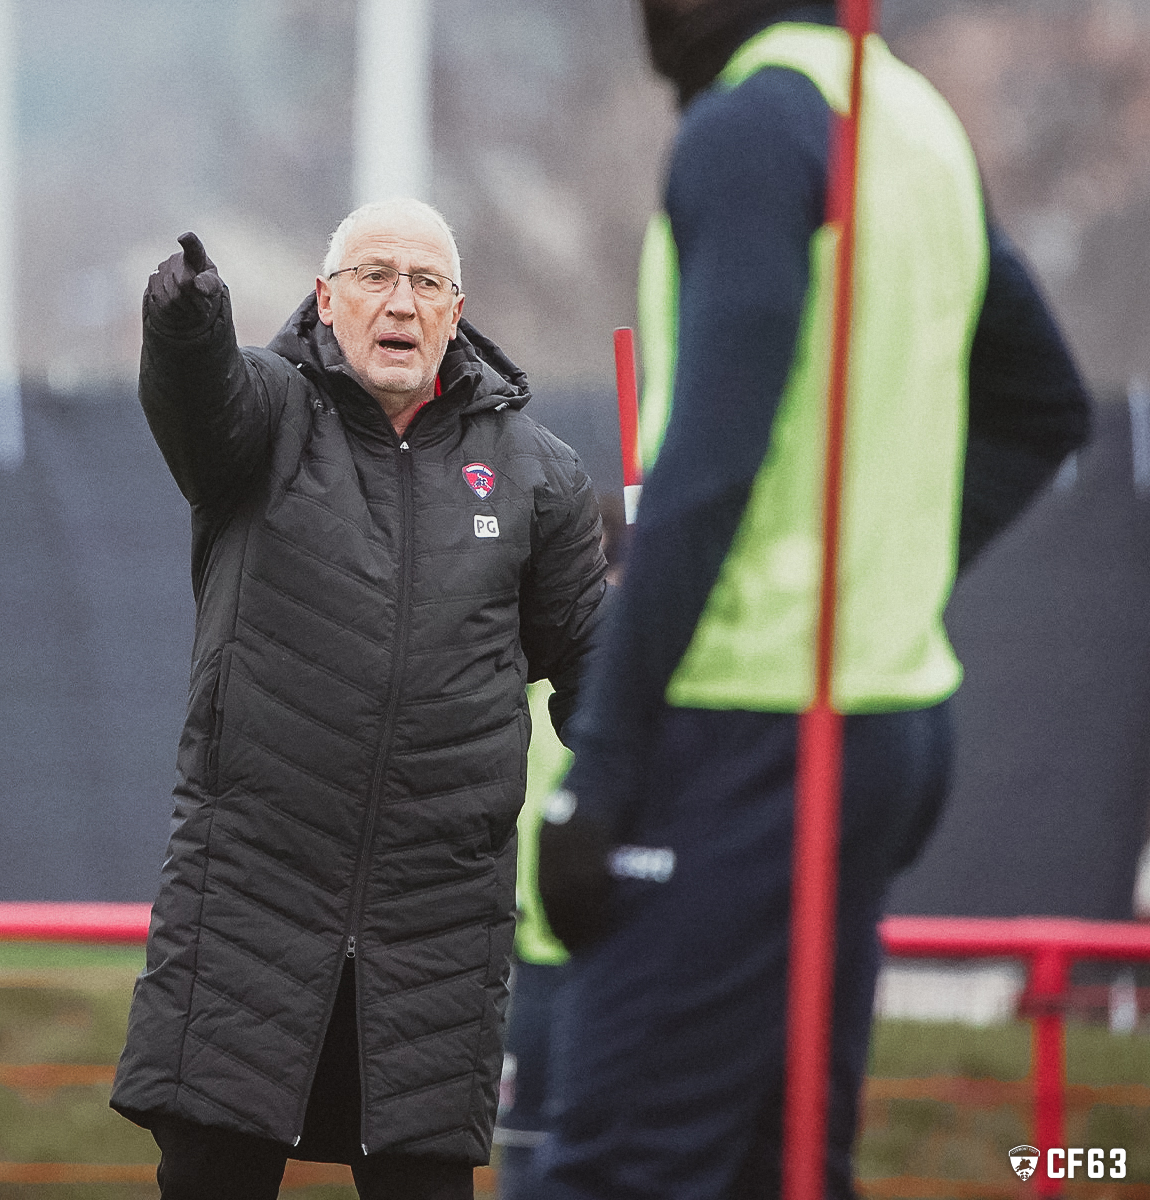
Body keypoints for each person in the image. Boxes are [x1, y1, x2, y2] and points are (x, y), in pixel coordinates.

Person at [534, 2, 1091, 1197]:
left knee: (615, 1166)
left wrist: (600, 766)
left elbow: (715, 457)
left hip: (750, 730)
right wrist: (879, 574)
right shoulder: (911, 123)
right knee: (776, 1166)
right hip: (882, 726)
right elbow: (1044, 402)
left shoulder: (754, 127)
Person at [109, 197, 608, 1200]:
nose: (400, 301)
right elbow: (200, 400)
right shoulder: (267, 416)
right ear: (326, 301)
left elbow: (596, 677)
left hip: (438, 935)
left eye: (424, 282)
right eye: (374, 276)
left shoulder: (536, 477)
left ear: (455, 312)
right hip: (249, 906)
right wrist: (186, 324)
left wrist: (647, 786)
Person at [495, 492, 627, 1199]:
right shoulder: (521, 646)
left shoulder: (637, 655)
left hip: (618, 950)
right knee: (528, 1151)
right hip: (535, 955)